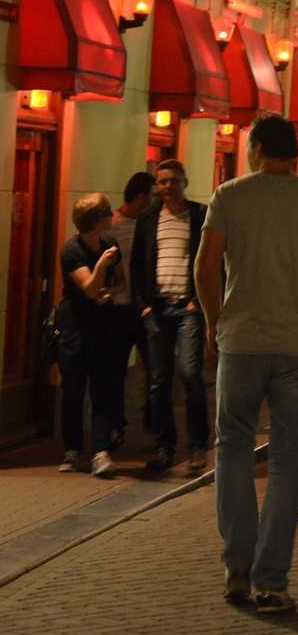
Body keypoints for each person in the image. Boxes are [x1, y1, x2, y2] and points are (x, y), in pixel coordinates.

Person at [195, 114, 298, 613]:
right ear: (293, 153)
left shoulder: (229, 196)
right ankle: (272, 581)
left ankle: (236, 571)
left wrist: (212, 322)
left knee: (234, 450)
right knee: (288, 461)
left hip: (241, 340)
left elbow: (205, 266)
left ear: (258, 147)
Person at [131, 160, 209, 474]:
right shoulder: (148, 219)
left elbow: (211, 261)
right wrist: (144, 306)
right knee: (158, 381)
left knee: (190, 374)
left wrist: (198, 302)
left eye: (173, 181)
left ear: (184, 182)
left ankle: (198, 446)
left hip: (187, 308)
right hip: (157, 309)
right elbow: (137, 265)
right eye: (162, 182)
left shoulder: (199, 215)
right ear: (156, 186)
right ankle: (165, 448)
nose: (167, 187)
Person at [57, 193, 124, 477]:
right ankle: (72, 450)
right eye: (108, 212)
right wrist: (101, 267)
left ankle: (100, 450)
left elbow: (120, 281)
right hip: (74, 329)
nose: (113, 216)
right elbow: (88, 288)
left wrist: (112, 291)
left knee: (102, 389)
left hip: (103, 327)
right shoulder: (71, 250)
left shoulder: (110, 243)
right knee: (72, 390)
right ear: (97, 220)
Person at [109, 171, 155, 443]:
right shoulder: (112, 225)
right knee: (115, 368)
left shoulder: (150, 223)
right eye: (152, 196)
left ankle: (153, 425)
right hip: (116, 308)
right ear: (141, 197)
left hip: (144, 307)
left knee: (155, 369)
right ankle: (117, 425)